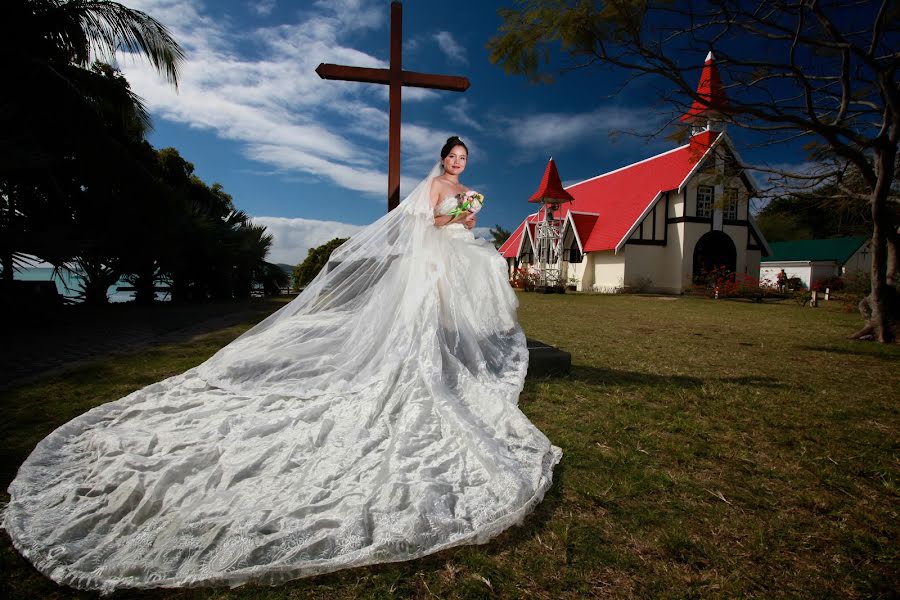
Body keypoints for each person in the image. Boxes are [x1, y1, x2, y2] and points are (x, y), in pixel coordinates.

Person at [2, 136, 562, 593]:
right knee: (418, 327)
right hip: (432, 263)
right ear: (442, 158)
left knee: (469, 299)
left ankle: (455, 356)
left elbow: (462, 227)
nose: (459, 165)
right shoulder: (435, 188)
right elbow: (424, 227)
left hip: (460, 260)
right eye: (453, 157)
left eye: (465, 159)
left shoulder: (470, 193)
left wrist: (468, 217)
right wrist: (449, 218)